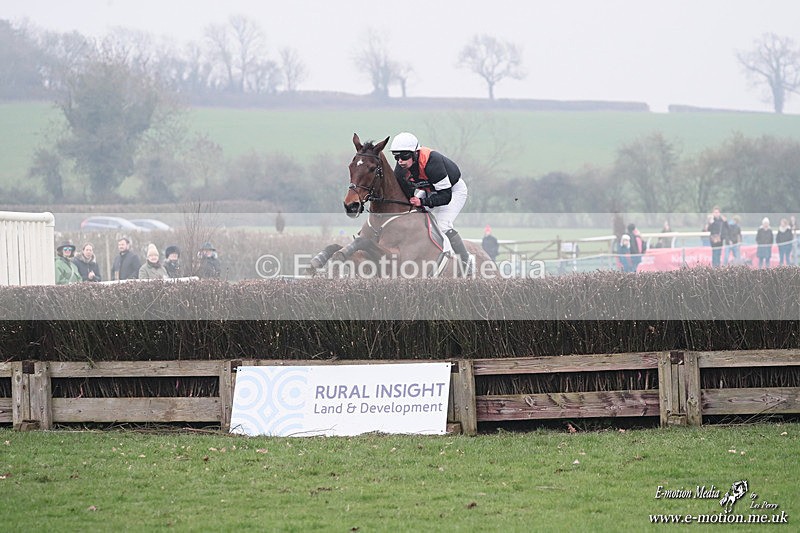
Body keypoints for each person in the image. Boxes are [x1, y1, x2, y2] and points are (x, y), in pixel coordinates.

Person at [390, 131, 471, 273]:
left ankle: (466, 264)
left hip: (453, 190)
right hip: (430, 189)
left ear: (415, 153)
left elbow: (445, 197)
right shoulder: (401, 168)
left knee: (442, 224)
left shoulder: (432, 162)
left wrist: (422, 202)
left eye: (404, 156)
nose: (400, 161)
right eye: (396, 157)